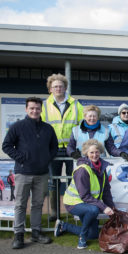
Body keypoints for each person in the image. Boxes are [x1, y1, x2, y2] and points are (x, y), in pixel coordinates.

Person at [2, 96, 58, 249]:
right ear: (26, 109)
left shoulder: (48, 128)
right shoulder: (17, 127)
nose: (35, 111)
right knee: (20, 204)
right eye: (32, 108)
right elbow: (6, 146)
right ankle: (18, 235)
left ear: (41, 110)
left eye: (37, 108)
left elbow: (54, 147)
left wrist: (47, 158)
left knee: (38, 204)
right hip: (23, 172)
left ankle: (36, 232)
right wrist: (22, 158)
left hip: (42, 173)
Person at [54, 139, 116, 249]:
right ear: (86, 153)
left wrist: (111, 207)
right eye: (91, 152)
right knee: (94, 210)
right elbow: (85, 196)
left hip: (87, 204)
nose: (95, 155)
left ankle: (63, 226)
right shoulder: (82, 170)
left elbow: (106, 190)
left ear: (100, 152)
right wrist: (103, 207)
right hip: (73, 203)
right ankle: (82, 238)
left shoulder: (102, 167)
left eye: (97, 152)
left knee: (93, 234)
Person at [41, 73, 84, 221]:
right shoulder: (44, 106)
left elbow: (82, 126)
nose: (58, 88)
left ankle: (75, 211)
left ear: (65, 87)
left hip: (73, 149)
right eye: (55, 87)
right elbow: (40, 127)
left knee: (75, 180)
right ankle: (54, 213)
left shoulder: (76, 104)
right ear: (50, 89)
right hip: (53, 149)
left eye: (61, 86)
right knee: (53, 181)